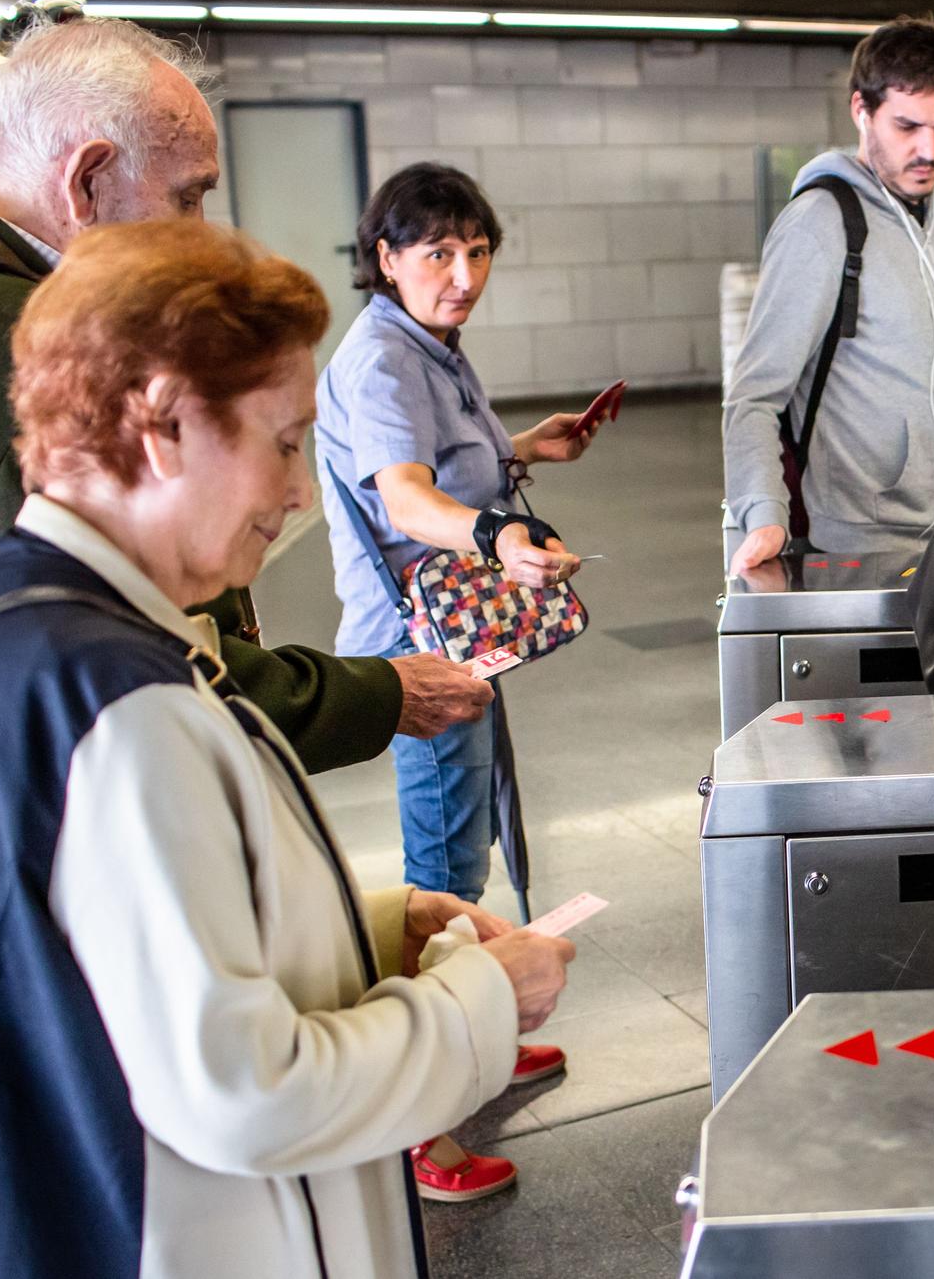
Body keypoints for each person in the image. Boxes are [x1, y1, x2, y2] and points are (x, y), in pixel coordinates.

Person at [0, 218, 578, 1279]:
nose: (300, 493)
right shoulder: (119, 704)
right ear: (163, 428)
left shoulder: (18, 627)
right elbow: (249, 1093)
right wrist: (484, 1001)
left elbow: (118, 965)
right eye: (284, 440)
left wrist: (368, 933)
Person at [0, 14, 490, 802]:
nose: (202, 237)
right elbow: (134, 650)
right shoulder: (31, 346)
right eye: (188, 198)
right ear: (87, 181)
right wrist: (379, 696)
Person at [317, 163, 595, 1197]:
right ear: (385, 258)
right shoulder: (384, 356)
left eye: (477, 251)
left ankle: (477, 1025)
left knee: (468, 836)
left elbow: (438, 458)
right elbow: (403, 491)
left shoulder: (426, 341)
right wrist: (496, 527)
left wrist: (522, 449)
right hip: (417, 646)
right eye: (437, 252)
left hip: (458, 631)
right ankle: (422, 1126)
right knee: (439, 868)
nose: (463, 272)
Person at [722, 16, 934, 574]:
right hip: (861, 538)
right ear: (860, 110)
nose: (928, 151)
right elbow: (753, 398)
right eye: (907, 126)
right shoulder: (821, 223)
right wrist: (765, 512)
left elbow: (929, 350)